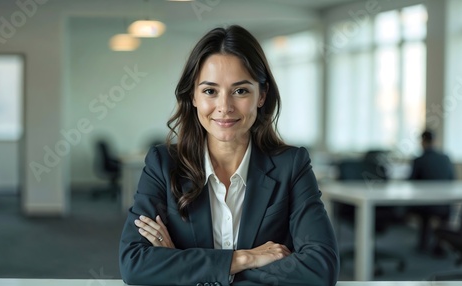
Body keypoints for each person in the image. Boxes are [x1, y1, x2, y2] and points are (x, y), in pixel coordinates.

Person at [119, 25, 339, 285]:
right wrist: (243, 259)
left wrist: (181, 262)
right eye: (210, 91)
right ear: (193, 96)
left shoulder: (291, 165)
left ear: (262, 95)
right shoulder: (163, 164)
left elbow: (320, 268)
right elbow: (135, 263)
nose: (224, 107)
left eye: (240, 91)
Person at [408, 129, 455, 255]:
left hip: (426, 204)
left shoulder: (419, 160)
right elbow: (452, 179)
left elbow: (411, 182)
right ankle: (440, 244)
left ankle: (423, 244)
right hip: (445, 204)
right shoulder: (446, 158)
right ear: (434, 141)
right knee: (439, 214)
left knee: (424, 213)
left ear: (422, 141)